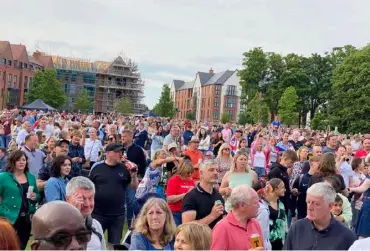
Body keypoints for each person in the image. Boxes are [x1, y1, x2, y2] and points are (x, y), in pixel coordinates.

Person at [89, 143, 138, 248]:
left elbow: (134, 187)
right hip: (98, 214)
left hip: (117, 215)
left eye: (121, 152)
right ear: (108, 153)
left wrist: (133, 176)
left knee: (114, 244)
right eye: (117, 152)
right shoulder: (97, 168)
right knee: (94, 243)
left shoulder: (124, 168)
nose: (120, 154)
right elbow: (89, 188)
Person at [283, 182, 356, 250]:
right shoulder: (297, 228)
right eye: (308, 202)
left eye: (316, 204)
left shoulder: (347, 237)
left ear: (330, 206)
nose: (310, 207)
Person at [0, 150, 40, 249]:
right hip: (8, 217)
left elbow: (37, 196)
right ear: (12, 161)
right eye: (18, 160)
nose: (21, 162)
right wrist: (4, 212)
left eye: (24, 159)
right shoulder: (3, 177)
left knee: (22, 245)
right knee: (7, 245)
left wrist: (35, 197)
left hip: (26, 218)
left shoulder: (31, 177)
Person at [211, 185, 265, 250]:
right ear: (242, 205)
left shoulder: (255, 223)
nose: (258, 206)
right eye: (255, 203)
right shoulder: (222, 228)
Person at [182, 159, 224, 229]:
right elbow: (186, 227)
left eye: (217, 170)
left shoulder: (218, 195)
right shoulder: (191, 197)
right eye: (211, 170)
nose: (215, 173)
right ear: (201, 173)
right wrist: (212, 216)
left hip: (216, 238)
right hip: (199, 239)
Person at [66, 176, 106, 250]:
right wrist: (75, 216)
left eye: (91, 198)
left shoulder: (96, 225)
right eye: (82, 198)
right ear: (68, 199)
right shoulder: (58, 228)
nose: (87, 204)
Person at [255, 178, 287, 250]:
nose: (285, 189)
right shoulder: (262, 206)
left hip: (280, 243)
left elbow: (284, 223)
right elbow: (258, 228)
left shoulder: (281, 204)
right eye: (282, 187)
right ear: (275, 189)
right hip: (268, 243)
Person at [268, 149, 298, 215]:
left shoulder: (284, 171)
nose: (292, 165)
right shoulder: (276, 170)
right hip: (278, 204)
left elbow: (284, 187)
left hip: (285, 203)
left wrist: (290, 191)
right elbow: (273, 189)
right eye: (291, 162)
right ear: (285, 158)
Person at [291, 155, 321, 220]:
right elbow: (293, 196)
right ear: (311, 163)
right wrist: (293, 213)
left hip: (317, 213)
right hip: (302, 213)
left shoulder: (322, 179)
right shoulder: (301, 178)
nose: (321, 166)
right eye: (319, 163)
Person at [166, 160, 195, 226]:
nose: (190, 175)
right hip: (176, 212)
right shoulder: (173, 180)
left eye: (191, 172)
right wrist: (185, 194)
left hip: (188, 212)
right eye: (188, 173)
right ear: (182, 171)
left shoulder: (191, 181)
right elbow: (169, 199)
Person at [348, 174, 370, 238]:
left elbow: (362, 188)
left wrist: (352, 189)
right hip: (367, 205)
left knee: (364, 230)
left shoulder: (368, 180)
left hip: (368, 207)